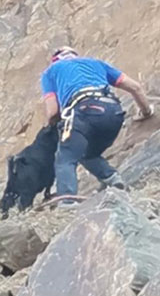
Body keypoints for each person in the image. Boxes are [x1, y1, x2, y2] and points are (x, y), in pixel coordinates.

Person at [40, 46, 154, 206]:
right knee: (86, 152)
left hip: (81, 110)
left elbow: (52, 111)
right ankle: (113, 180)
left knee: (66, 157)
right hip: (112, 113)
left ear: (55, 60)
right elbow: (135, 87)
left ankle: (66, 203)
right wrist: (146, 112)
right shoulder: (96, 63)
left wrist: (53, 127)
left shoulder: (50, 72)